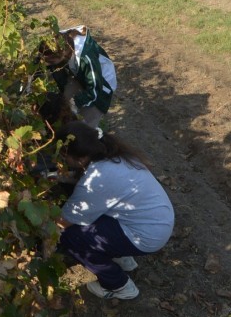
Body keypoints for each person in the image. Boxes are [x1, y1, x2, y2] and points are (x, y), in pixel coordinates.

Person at [57, 122, 175, 300]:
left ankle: (119, 285)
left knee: (71, 236)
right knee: (92, 221)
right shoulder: (113, 155)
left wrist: (39, 230)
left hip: (146, 236)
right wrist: (58, 177)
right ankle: (122, 257)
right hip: (156, 220)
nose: (62, 161)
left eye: (64, 157)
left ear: (80, 159)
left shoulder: (96, 180)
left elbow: (64, 221)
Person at [39, 25, 117, 129]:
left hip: (101, 84)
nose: (47, 64)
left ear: (63, 55)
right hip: (80, 75)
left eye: (50, 62)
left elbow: (94, 90)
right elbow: (53, 65)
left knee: (87, 125)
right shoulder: (59, 40)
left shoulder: (85, 57)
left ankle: (94, 138)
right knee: (65, 105)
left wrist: (75, 103)